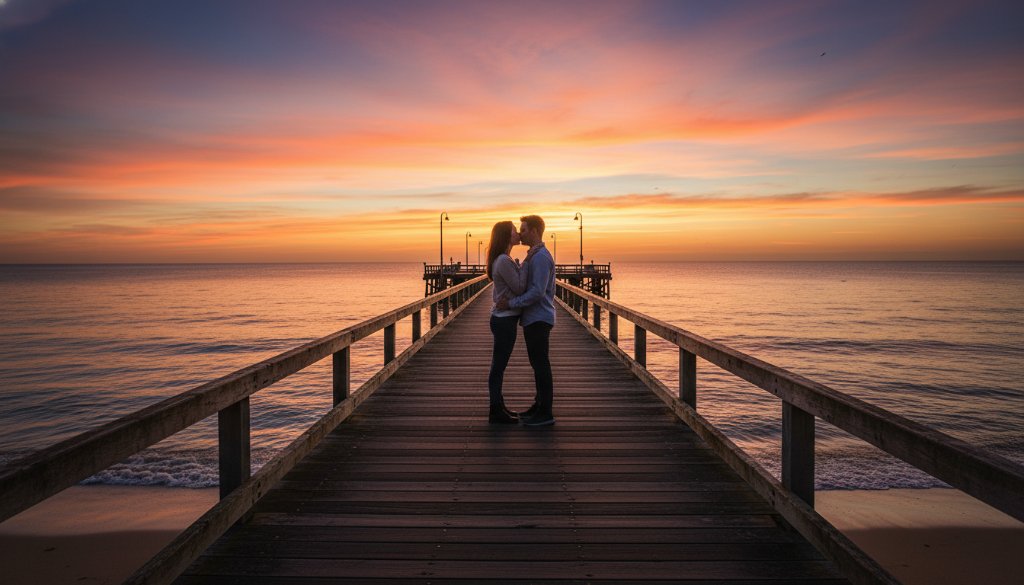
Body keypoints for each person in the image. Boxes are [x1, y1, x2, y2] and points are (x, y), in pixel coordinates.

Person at [497, 215, 556, 427]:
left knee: (541, 365)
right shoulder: (535, 255)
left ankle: (546, 412)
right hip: (534, 317)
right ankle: (538, 406)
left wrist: (512, 303)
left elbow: (537, 292)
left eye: (523, 229)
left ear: (533, 231)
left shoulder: (540, 258)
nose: (520, 234)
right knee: (537, 363)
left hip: (539, 317)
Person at [485, 221, 527, 424]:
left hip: (503, 319)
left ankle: (499, 406)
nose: (518, 233)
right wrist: (524, 267)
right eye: (513, 230)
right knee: (498, 366)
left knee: (499, 365)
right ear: (505, 235)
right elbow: (519, 288)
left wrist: (517, 266)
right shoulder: (503, 260)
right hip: (504, 320)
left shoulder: (504, 259)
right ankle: (495, 410)